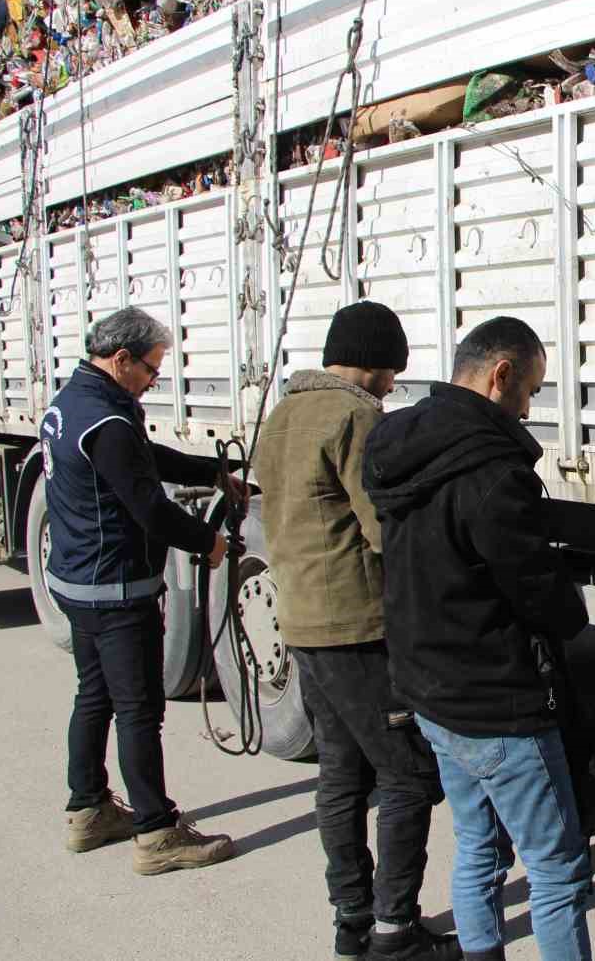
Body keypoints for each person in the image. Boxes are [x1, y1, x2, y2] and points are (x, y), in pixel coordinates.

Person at [364, 317, 594, 961]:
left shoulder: (402, 442)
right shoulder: (491, 469)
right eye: (530, 390)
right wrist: (570, 614)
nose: (528, 407)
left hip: (431, 695)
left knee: (477, 845)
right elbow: (536, 589)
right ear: (501, 376)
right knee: (557, 870)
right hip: (496, 703)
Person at [253, 302, 460, 961]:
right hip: (358, 627)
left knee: (342, 776)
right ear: (370, 361)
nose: (393, 385)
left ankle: (353, 924)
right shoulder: (356, 418)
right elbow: (383, 529)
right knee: (406, 776)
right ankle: (395, 930)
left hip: (304, 624)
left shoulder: (283, 415)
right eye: (391, 371)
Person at [43, 306, 239, 874]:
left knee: (94, 696)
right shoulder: (105, 421)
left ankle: (87, 810)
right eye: (151, 368)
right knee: (137, 711)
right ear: (121, 359)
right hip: (115, 587)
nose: (155, 379)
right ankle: (156, 834)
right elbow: (149, 507)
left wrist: (209, 471)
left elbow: (141, 458)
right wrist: (208, 541)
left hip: (78, 581)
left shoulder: (75, 404)